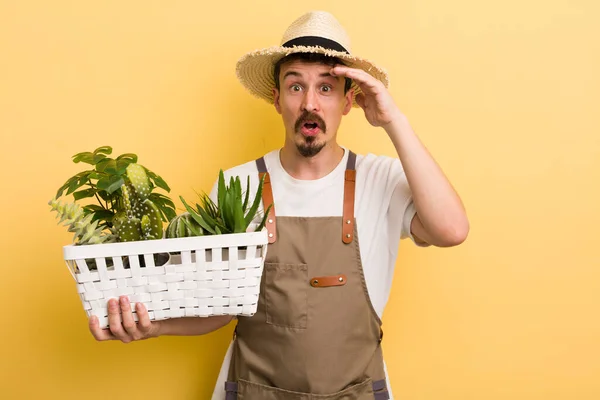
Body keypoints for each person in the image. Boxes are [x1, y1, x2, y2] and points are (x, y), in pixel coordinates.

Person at [88, 10, 469, 400]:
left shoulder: (380, 179)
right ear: (276, 99)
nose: (310, 104)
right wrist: (154, 326)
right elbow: (220, 307)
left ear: (348, 101)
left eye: (326, 88)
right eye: (295, 86)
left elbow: (451, 230)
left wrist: (393, 121)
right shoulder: (238, 185)